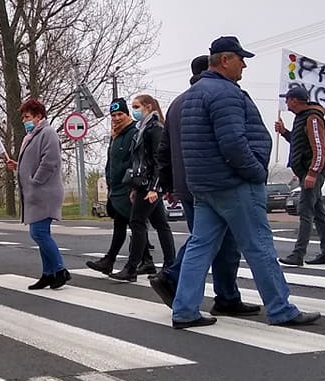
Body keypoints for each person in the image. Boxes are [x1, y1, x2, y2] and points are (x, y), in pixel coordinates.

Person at [169, 37, 319, 329]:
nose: (244, 64)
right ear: (225, 60)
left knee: (200, 246)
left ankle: (185, 309)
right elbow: (233, 142)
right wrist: (254, 171)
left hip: (204, 185)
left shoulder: (193, 95)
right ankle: (280, 308)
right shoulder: (226, 94)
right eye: (240, 58)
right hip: (234, 184)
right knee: (259, 245)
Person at [149, 57, 258, 316]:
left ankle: (222, 296)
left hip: (186, 185)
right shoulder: (215, 97)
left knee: (207, 238)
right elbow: (231, 140)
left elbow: (163, 151)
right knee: (217, 241)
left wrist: (168, 184)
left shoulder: (177, 104)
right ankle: (182, 280)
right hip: (214, 183)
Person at [7, 98, 69, 290]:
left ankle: (60, 270)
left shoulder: (47, 133)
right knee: (41, 233)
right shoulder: (32, 135)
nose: (25, 120)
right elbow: (32, 163)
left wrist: (35, 181)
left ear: (38, 116)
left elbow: (50, 161)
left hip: (45, 192)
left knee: (39, 232)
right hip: (37, 192)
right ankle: (48, 274)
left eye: (27, 116)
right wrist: (18, 168)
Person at [117, 94, 176, 282]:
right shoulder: (141, 129)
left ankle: (131, 268)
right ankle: (170, 264)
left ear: (148, 107)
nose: (134, 110)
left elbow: (159, 160)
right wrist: (136, 186)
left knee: (137, 222)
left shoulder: (155, 128)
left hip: (150, 185)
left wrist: (155, 188)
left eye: (136, 106)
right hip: (143, 184)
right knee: (160, 224)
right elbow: (140, 161)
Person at [276, 84, 325, 266]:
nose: (286, 102)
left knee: (306, 211)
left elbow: (319, 148)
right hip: (307, 172)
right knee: (319, 212)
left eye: (287, 99)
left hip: (311, 173)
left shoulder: (312, 118)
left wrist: (312, 173)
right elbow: (299, 141)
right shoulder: (303, 117)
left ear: (294, 100)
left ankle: (298, 254)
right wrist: (285, 133)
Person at [86, 98, 136, 278]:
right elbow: (111, 161)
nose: (116, 118)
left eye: (120, 114)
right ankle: (110, 260)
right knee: (120, 225)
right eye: (113, 115)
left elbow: (133, 160)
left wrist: (132, 184)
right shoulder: (115, 135)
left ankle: (134, 264)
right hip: (116, 188)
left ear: (127, 114)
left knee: (136, 227)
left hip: (129, 188)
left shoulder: (133, 133)